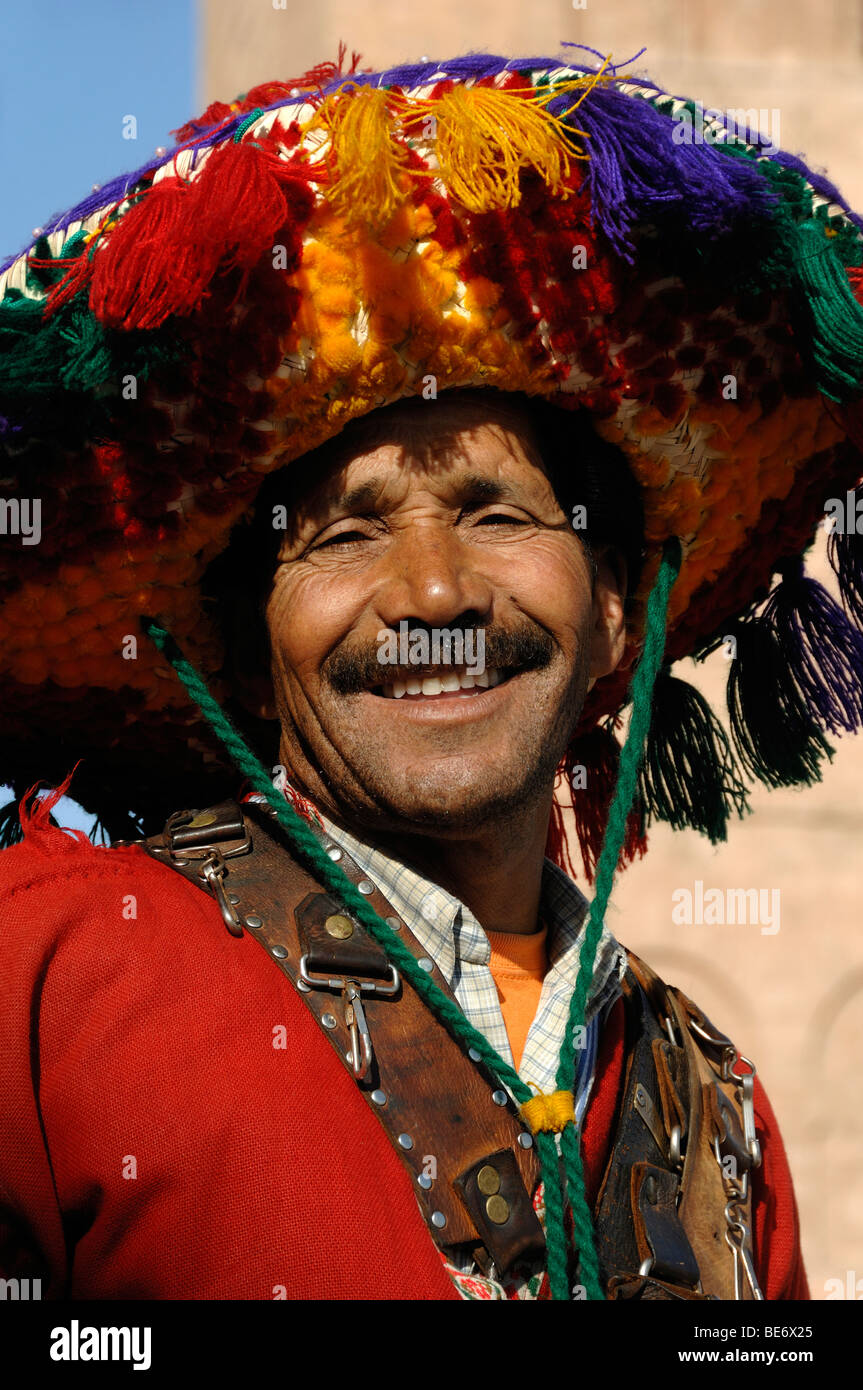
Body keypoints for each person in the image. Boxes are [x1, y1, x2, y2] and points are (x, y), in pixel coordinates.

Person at [2, 46, 862, 1301]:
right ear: (247, 653)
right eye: (346, 533)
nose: (436, 592)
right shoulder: (46, 976)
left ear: (617, 609)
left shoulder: (715, 1112)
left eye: (500, 515)